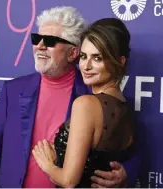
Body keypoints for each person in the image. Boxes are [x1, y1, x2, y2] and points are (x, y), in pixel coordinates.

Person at [0, 6, 140, 188]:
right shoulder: (13, 90)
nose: (39, 46)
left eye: (49, 41)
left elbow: (130, 150)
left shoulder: (95, 95)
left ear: (73, 52)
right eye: (36, 38)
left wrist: (125, 174)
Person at [32, 17, 135, 188]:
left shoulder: (85, 104)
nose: (85, 66)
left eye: (97, 58)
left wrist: (47, 164)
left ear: (120, 61)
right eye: (83, 56)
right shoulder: (125, 106)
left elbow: (69, 181)